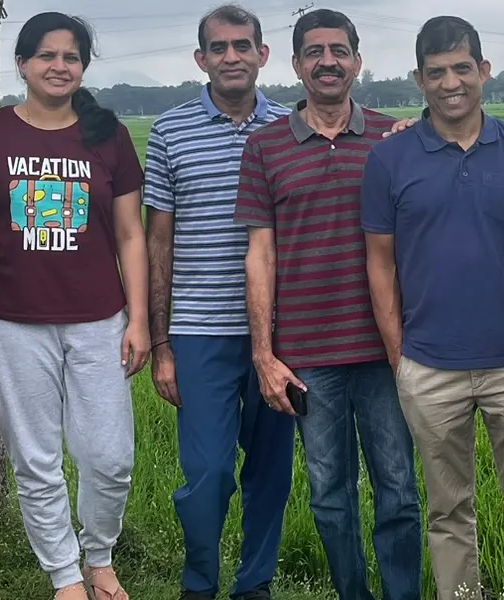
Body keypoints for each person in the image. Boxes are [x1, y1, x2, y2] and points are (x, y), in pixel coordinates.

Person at [0, 12, 149, 600]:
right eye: (47, 55)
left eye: (71, 57)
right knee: (36, 459)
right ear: (22, 64)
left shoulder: (108, 136)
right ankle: (65, 575)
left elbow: (131, 234)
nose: (59, 66)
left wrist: (139, 319)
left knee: (109, 457)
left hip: (100, 319)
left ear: (82, 67)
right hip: (12, 322)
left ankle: (100, 555)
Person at [359, 16, 504, 600]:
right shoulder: (389, 159)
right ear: (419, 79)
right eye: (436, 72)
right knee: (448, 509)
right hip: (428, 366)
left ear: (484, 70)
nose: (451, 83)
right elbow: (380, 264)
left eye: (462, 68)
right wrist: (399, 356)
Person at [233, 9, 422, 600]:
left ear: (357, 61)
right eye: (314, 52)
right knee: (328, 495)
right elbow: (260, 255)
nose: (327, 62)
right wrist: (263, 354)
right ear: (296, 65)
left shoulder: (394, 139)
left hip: (386, 350)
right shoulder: (265, 147)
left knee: (398, 489)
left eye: (339, 51)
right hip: (308, 357)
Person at [142, 5, 297, 600]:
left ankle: (255, 583)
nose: (231, 56)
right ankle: (199, 582)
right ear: (201, 59)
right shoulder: (169, 131)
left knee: (270, 473)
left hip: (280, 334)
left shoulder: (291, 127)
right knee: (207, 472)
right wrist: (162, 344)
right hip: (199, 329)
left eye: (242, 45)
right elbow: (159, 242)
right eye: (219, 47)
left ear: (262, 54)